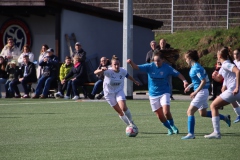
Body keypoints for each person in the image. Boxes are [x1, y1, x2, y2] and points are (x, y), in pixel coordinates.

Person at [127, 50, 188, 135]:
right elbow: (136, 67)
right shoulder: (149, 66)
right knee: (160, 115)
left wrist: (184, 81)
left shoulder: (167, 68)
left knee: (166, 111)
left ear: (162, 60)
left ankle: (173, 126)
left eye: (158, 60)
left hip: (164, 92)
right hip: (153, 94)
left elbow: (178, 74)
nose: (156, 62)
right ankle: (169, 128)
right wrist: (130, 63)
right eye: (155, 61)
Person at [181, 50, 230, 140]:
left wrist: (195, 92)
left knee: (190, 112)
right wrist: (190, 86)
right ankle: (224, 117)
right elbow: (198, 81)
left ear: (190, 58)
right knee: (203, 113)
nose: (186, 60)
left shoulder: (196, 68)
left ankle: (190, 134)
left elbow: (203, 81)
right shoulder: (195, 67)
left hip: (201, 92)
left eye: (186, 59)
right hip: (202, 92)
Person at [94, 55, 139, 131]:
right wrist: (101, 69)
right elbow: (95, 72)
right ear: (111, 65)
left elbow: (127, 76)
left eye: (118, 64)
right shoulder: (108, 71)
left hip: (119, 91)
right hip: (108, 94)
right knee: (120, 112)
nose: (117, 66)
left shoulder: (122, 71)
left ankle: (131, 123)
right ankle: (129, 125)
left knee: (123, 107)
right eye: (115, 64)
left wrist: (135, 81)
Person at [204, 47, 240, 139]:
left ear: (219, 56)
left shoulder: (226, 64)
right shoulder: (224, 64)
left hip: (233, 90)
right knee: (214, 106)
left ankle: (216, 133)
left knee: (213, 106)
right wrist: (215, 76)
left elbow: (237, 71)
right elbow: (219, 78)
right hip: (234, 91)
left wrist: (236, 87)